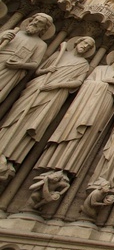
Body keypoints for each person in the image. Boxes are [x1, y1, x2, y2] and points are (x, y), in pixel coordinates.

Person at [0, 36, 94, 175]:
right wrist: (47, 70)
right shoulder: (59, 54)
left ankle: (10, 156)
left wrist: (57, 85)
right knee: (16, 116)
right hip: (39, 86)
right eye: (84, 42)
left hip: (55, 94)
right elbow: (39, 71)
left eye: (89, 46)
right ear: (77, 42)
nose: (85, 46)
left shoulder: (84, 64)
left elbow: (78, 82)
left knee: (34, 122)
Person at [37, 50, 114, 176]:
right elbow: (85, 83)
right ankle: (52, 164)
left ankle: (68, 168)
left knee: (88, 134)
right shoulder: (99, 68)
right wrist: (101, 85)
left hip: (104, 104)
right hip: (86, 103)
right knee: (73, 126)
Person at [0, 13, 54, 105]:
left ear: (44, 28)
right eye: (35, 20)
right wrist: (2, 38)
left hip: (11, 72)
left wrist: (20, 65)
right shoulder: (12, 33)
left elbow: (35, 64)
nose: (35, 22)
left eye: (40, 22)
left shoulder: (41, 44)